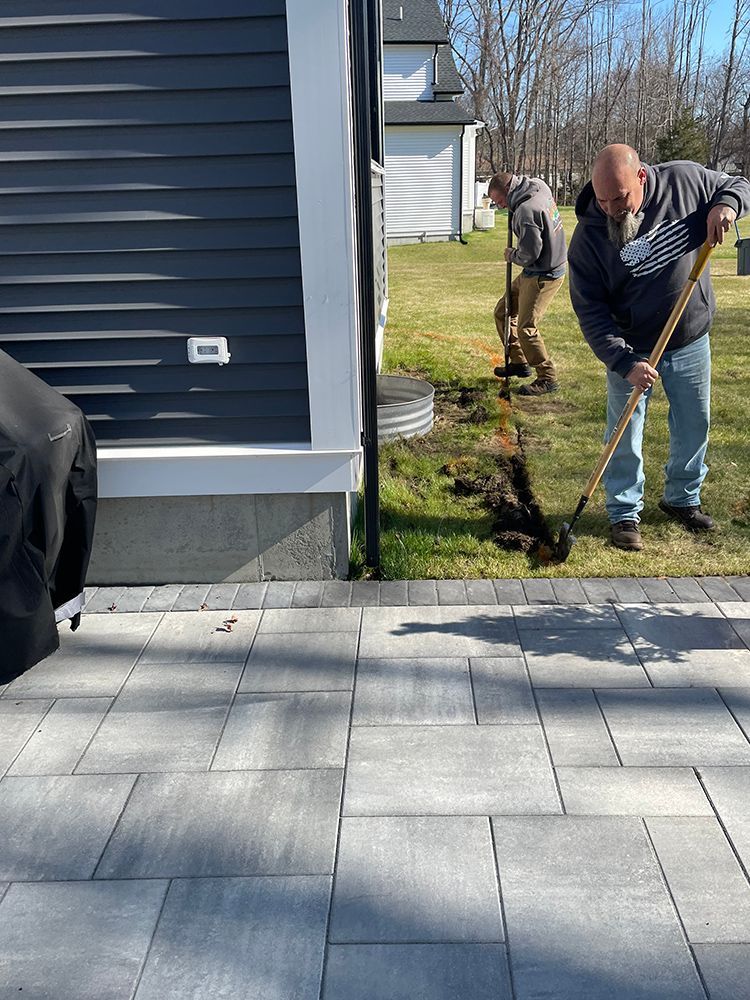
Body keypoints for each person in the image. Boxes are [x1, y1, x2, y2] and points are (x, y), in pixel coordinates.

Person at [568, 144, 750, 551]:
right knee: (624, 431)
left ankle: (682, 498)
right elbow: (589, 310)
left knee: (693, 423)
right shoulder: (588, 238)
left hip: (688, 336)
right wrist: (623, 360)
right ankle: (623, 511)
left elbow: (737, 184)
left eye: (619, 198)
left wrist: (726, 206)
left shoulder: (685, 180)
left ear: (642, 178)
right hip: (632, 348)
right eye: (601, 199)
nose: (611, 208)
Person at [489, 171, 567, 396]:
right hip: (535, 270)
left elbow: (530, 253)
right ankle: (519, 362)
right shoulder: (538, 185)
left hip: (544, 273)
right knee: (503, 311)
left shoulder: (526, 211)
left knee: (526, 327)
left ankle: (547, 377)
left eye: (500, 201)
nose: (501, 206)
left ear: (508, 191)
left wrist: (512, 254)